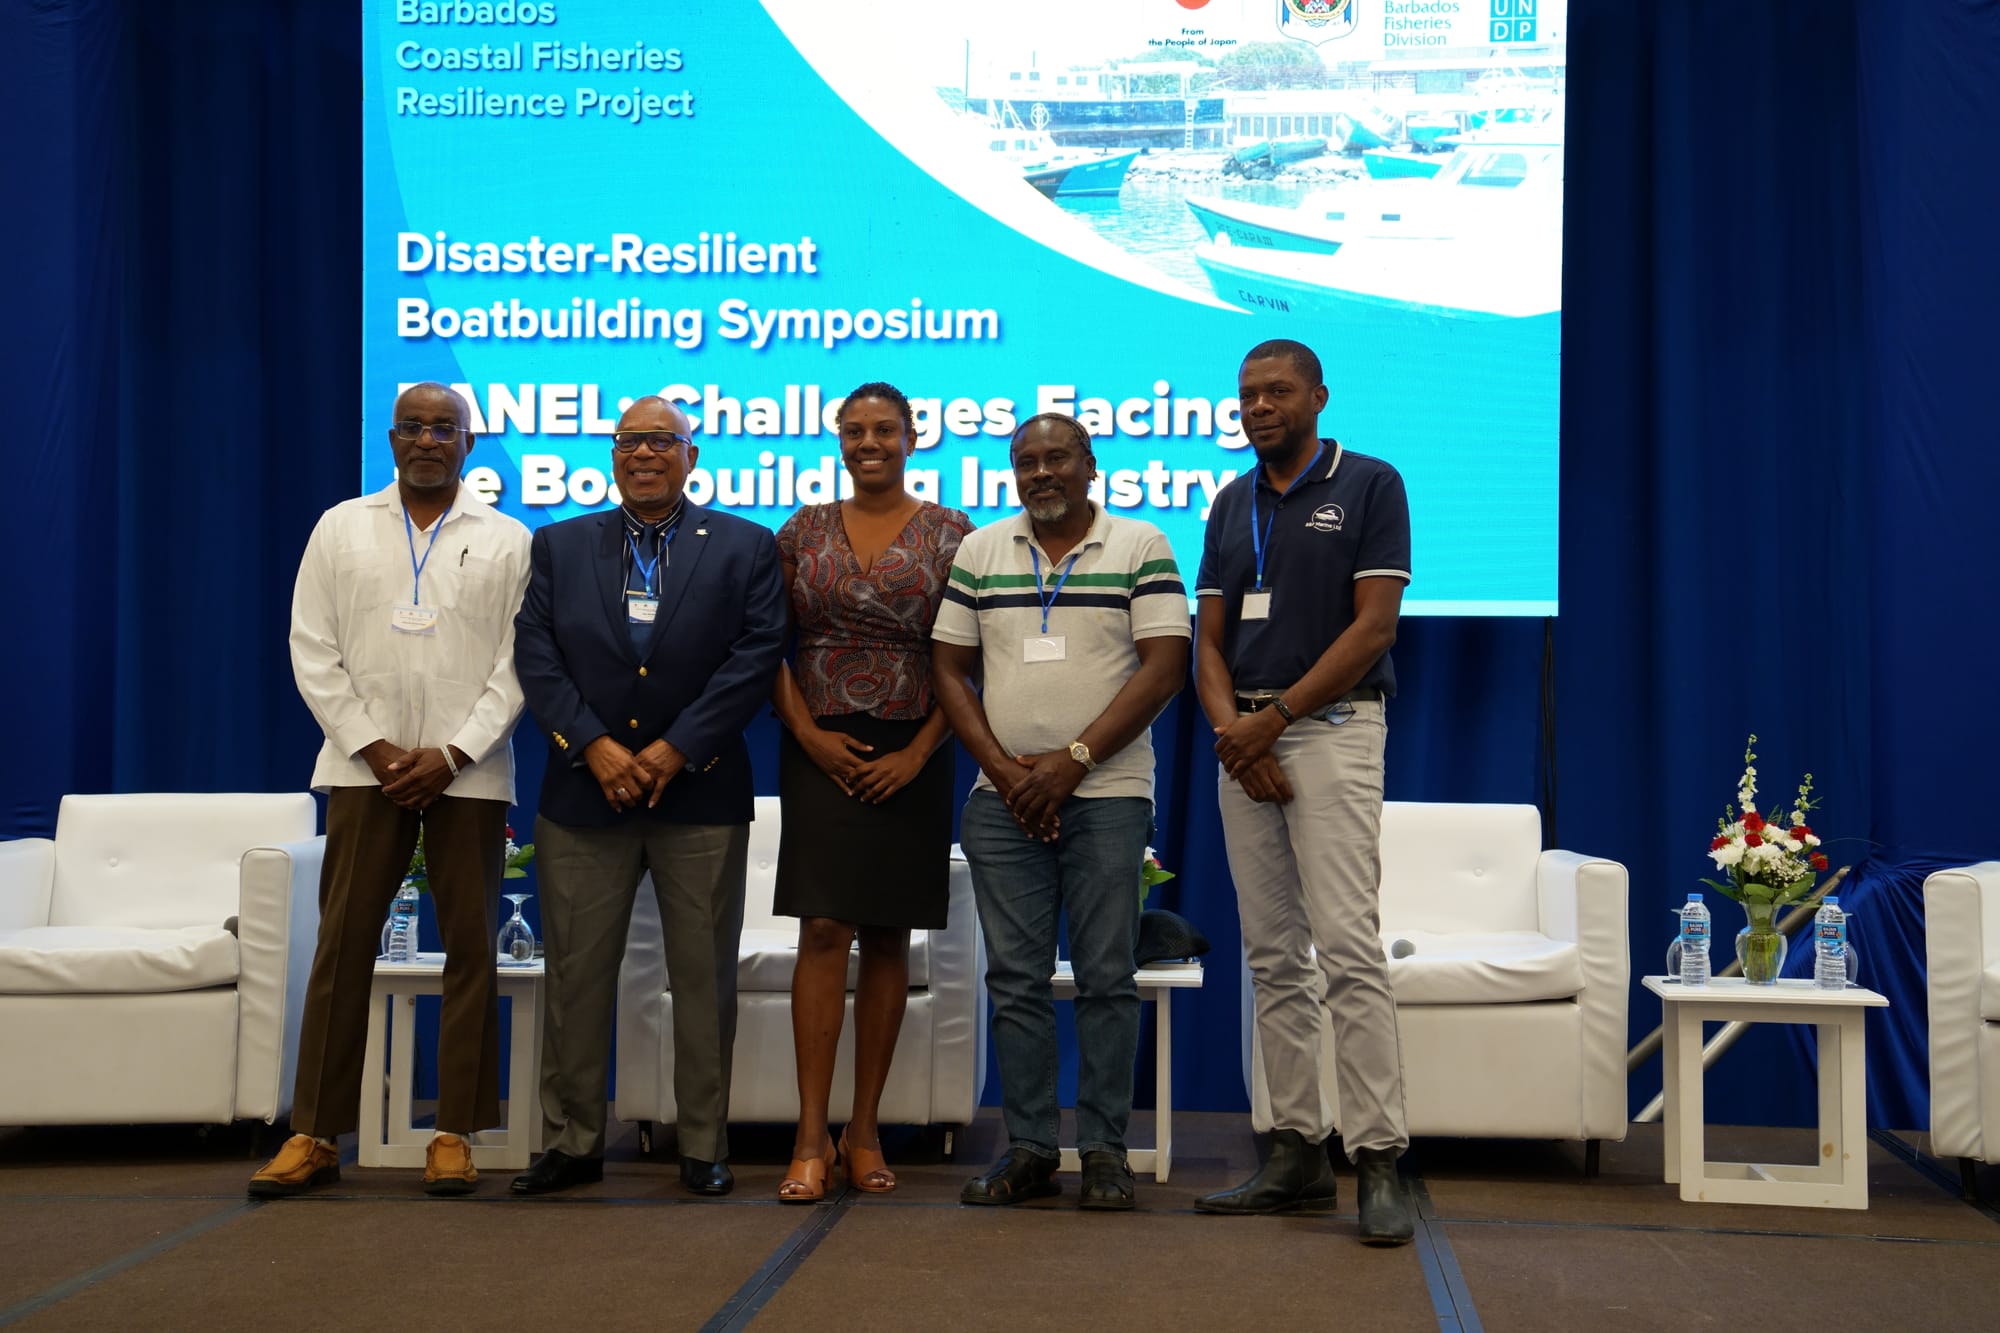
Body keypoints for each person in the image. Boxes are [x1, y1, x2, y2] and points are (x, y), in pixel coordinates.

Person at [250, 382, 531, 1199]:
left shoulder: (508, 538)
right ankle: (313, 1133)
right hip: (359, 768)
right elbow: (311, 649)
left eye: (444, 427)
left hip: (469, 773)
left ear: (469, 442)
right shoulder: (340, 527)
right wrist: (374, 748)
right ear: (392, 438)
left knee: (472, 948)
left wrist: (454, 752)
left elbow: (519, 664)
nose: (427, 440)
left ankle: (454, 1132)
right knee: (342, 944)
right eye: (413, 426)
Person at [509, 395, 787, 1198]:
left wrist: (677, 746)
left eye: (662, 441)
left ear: (691, 456)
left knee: (704, 979)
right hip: (583, 793)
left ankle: (702, 1143)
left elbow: (756, 653)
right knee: (574, 978)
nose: (644, 454)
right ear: (612, 454)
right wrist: (592, 744)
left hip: (699, 792)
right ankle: (571, 1142)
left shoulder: (745, 545)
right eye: (630, 440)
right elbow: (536, 652)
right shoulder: (560, 544)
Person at [932, 413, 1190, 1212]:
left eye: (1057, 458)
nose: (1041, 472)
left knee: (1109, 976)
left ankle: (1105, 1150)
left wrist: (1071, 762)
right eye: (1026, 461)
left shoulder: (1140, 544)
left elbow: (1165, 667)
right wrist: (1006, 772)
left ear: (1090, 464)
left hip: (1108, 796)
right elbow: (947, 666)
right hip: (1002, 800)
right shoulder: (981, 550)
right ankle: (1032, 1149)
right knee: (1015, 979)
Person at [1191, 339, 1416, 1245]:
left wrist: (1273, 719)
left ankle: (1378, 1158)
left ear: (1318, 396)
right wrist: (1235, 734)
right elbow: (1208, 643)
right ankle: (1294, 1152)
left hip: (1331, 731)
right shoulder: (1229, 500)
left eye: (1277, 391)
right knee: (1273, 957)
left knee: (1347, 948)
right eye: (1247, 394)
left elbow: (1374, 629)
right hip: (1243, 740)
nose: (1258, 406)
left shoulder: (1370, 484)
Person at [770, 381, 973, 1202]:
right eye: (854, 430)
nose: (869, 442)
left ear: (912, 437)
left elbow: (966, 659)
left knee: (888, 934)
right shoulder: (801, 530)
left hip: (914, 748)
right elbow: (769, 647)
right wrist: (811, 738)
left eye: (885, 429)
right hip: (819, 745)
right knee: (823, 927)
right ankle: (808, 1134)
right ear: (839, 440)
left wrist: (919, 754)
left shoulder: (955, 533)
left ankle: (864, 1130)